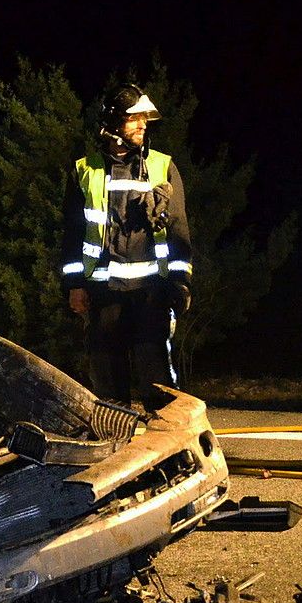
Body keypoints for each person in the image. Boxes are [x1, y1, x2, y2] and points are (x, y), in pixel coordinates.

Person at [58, 82, 193, 407]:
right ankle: (117, 450)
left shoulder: (162, 166)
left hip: (151, 293)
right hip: (103, 293)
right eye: (134, 119)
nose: (142, 125)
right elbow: (73, 234)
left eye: (144, 120)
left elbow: (179, 232)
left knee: (158, 386)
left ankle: (171, 454)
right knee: (108, 388)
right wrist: (74, 285)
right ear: (114, 122)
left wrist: (180, 282)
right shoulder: (84, 170)